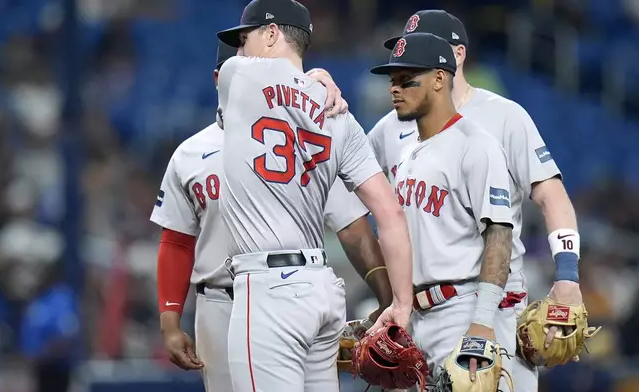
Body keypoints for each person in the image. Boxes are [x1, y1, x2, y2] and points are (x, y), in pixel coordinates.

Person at [312, 9, 581, 391]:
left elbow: (551, 197)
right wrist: (387, 295)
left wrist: (567, 276)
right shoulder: (393, 129)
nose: (398, 82)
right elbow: (344, 200)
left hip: (487, 300)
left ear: (455, 57)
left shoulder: (502, 119)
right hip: (417, 314)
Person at [150, 41, 394, 391]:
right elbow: (176, 240)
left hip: (288, 293)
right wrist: (170, 321)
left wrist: (387, 299)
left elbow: (353, 229)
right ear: (221, 78)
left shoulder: (302, 141)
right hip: (218, 301)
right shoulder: (190, 154)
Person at [215, 0, 414, 390]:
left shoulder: (236, 74)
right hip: (322, 291)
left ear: (272, 33)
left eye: (246, 38)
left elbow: (262, 76)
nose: (240, 49)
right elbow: (390, 212)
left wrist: (315, 76)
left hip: (269, 289)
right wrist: (401, 303)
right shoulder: (340, 114)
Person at [369, 31, 515, 386]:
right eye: (393, 82)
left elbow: (498, 234)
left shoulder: (477, 146)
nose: (395, 90)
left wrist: (481, 322)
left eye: (407, 81)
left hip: (460, 310)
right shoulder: (406, 152)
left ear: (439, 79)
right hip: (414, 315)